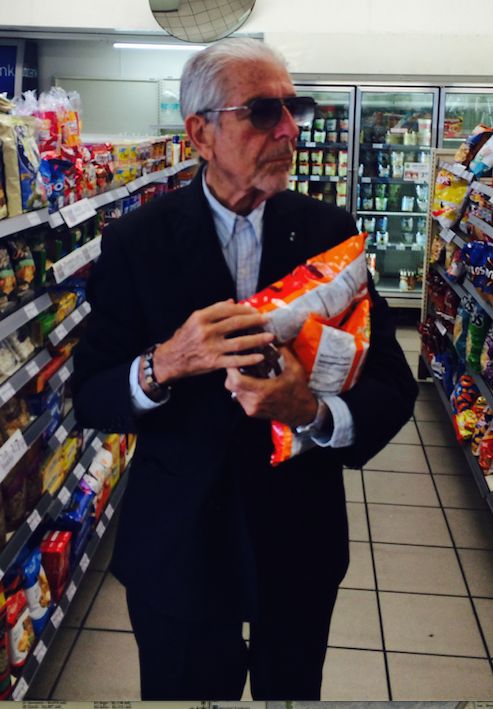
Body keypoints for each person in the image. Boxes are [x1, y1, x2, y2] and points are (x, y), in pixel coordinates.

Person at [73, 38, 418, 700]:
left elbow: (392, 385)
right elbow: (91, 393)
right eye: (263, 112)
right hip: (178, 537)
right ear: (200, 131)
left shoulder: (327, 230)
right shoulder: (136, 240)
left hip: (298, 534)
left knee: (291, 689)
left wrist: (313, 413)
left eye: (295, 108)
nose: (288, 130)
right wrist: (162, 364)